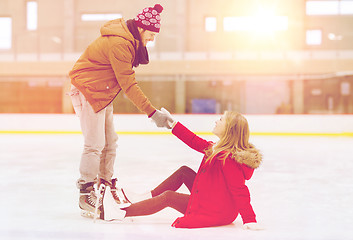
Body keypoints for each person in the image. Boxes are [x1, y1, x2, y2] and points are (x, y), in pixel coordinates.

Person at [68, 4, 172, 217]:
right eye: (151, 34)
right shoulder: (120, 44)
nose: (152, 40)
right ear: (142, 29)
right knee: (94, 143)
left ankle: (104, 184)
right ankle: (85, 193)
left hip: (103, 90)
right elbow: (129, 86)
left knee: (111, 141)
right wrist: (153, 113)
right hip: (89, 88)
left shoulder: (129, 40)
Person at [98, 110, 263, 229]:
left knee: (168, 197)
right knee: (184, 171)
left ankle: (120, 213)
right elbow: (193, 140)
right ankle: (143, 198)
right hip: (215, 201)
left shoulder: (228, 158)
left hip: (217, 210)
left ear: (229, 130)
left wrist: (250, 219)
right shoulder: (217, 149)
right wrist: (173, 124)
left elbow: (239, 189)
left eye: (221, 120)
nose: (216, 121)